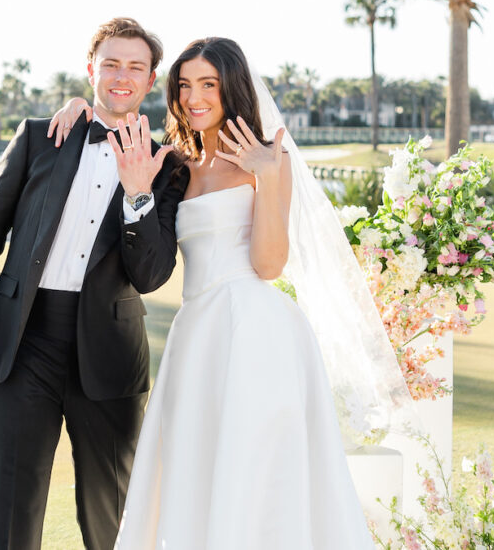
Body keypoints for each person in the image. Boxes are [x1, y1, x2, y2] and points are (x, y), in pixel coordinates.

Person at [50, 37, 416, 548]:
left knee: (255, 469)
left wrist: (267, 178)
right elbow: (120, 141)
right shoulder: (177, 164)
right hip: (196, 333)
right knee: (192, 465)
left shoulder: (268, 159)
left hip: (254, 329)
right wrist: (78, 105)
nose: (194, 97)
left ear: (232, 89)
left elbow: (269, 264)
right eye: (184, 85)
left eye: (208, 85)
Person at [0, 18, 189, 550]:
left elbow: (150, 275)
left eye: (135, 67)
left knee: (110, 517)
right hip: (22, 342)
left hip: (109, 352)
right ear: (91, 70)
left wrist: (137, 195)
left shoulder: (168, 167)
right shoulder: (40, 136)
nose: (121, 77)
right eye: (111, 64)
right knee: (13, 507)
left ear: (150, 81)